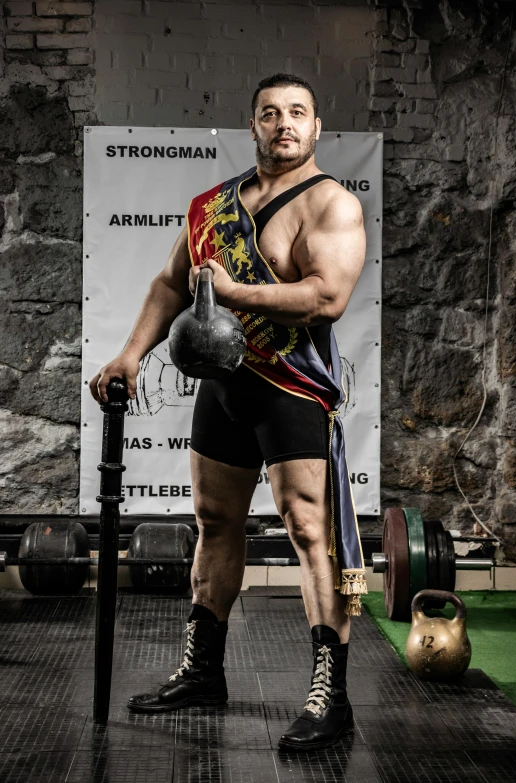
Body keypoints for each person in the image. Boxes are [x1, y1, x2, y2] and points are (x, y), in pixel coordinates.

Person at [90, 73, 367, 752]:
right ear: (252, 127)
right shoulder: (214, 205)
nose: (283, 124)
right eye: (269, 113)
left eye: (297, 112)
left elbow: (325, 295)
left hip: (291, 387)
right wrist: (130, 355)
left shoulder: (331, 203)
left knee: (308, 530)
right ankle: (203, 669)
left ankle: (331, 695)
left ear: (316, 126)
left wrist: (237, 290)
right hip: (224, 388)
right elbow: (169, 282)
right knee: (215, 523)